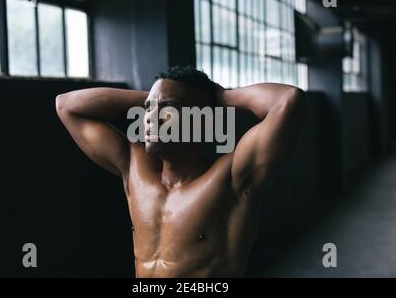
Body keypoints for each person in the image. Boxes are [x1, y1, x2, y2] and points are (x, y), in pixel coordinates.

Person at [55, 66, 308, 277]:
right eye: (147, 108)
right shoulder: (134, 169)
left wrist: (216, 98)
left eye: (166, 109)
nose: (150, 118)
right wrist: (158, 95)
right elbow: (66, 106)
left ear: (200, 119)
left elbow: (287, 101)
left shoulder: (232, 179)